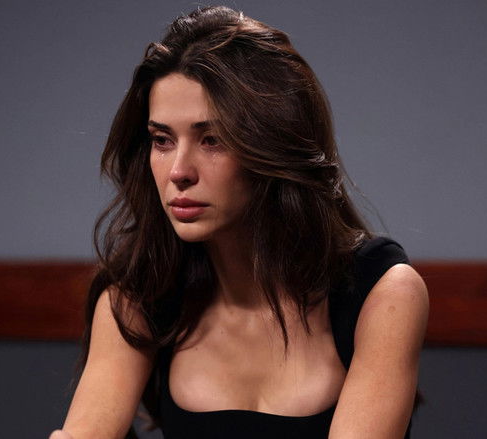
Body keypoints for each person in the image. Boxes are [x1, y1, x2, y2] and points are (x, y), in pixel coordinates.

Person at [51, 6, 428, 439]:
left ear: (272, 145)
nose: (179, 171)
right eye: (162, 140)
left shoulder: (383, 293)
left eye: (213, 140)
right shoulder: (139, 297)